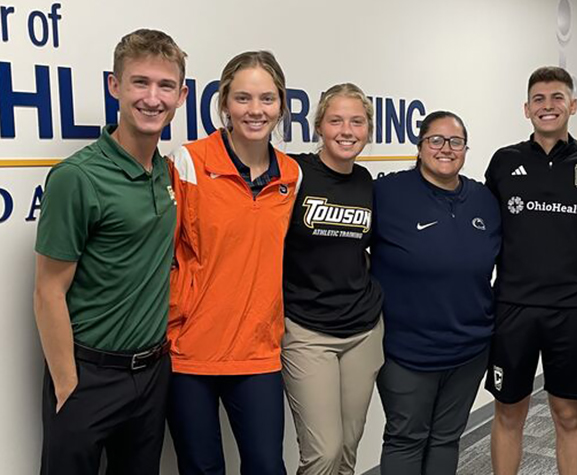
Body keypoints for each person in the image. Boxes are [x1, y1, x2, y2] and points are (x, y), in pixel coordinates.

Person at [33, 29, 188, 475]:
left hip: (153, 371)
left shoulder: (165, 172)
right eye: (140, 82)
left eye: (164, 86)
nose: (152, 98)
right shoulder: (77, 178)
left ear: (181, 95)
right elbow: (48, 291)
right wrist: (67, 383)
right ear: (114, 86)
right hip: (89, 375)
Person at [165, 51, 300, 475]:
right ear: (224, 103)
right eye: (242, 98)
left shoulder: (291, 175)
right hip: (191, 352)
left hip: (258, 351)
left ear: (281, 104)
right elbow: (163, 255)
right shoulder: (189, 162)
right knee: (201, 469)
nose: (254, 110)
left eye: (266, 98)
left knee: (266, 466)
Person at [484, 66, 577, 475]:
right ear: (526, 109)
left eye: (557, 97)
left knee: (569, 415)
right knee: (509, 413)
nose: (548, 106)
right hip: (513, 308)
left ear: (573, 105)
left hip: (572, 311)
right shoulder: (504, 162)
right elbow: (484, 233)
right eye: (538, 99)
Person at [372, 111, 502, 475]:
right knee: (406, 438)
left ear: (465, 148)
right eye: (436, 140)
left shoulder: (484, 200)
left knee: (447, 437)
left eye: (455, 142)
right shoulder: (387, 193)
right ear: (420, 146)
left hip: (470, 349)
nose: (446, 149)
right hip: (406, 351)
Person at [281, 83, 384, 475]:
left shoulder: (366, 183)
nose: (347, 130)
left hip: (363, 332)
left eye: (357, 122)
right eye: (336, 120)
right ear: (319, 126)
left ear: (368, 130)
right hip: (307, 332)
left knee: (347, 451)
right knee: (322, 452)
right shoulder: (294, 173)